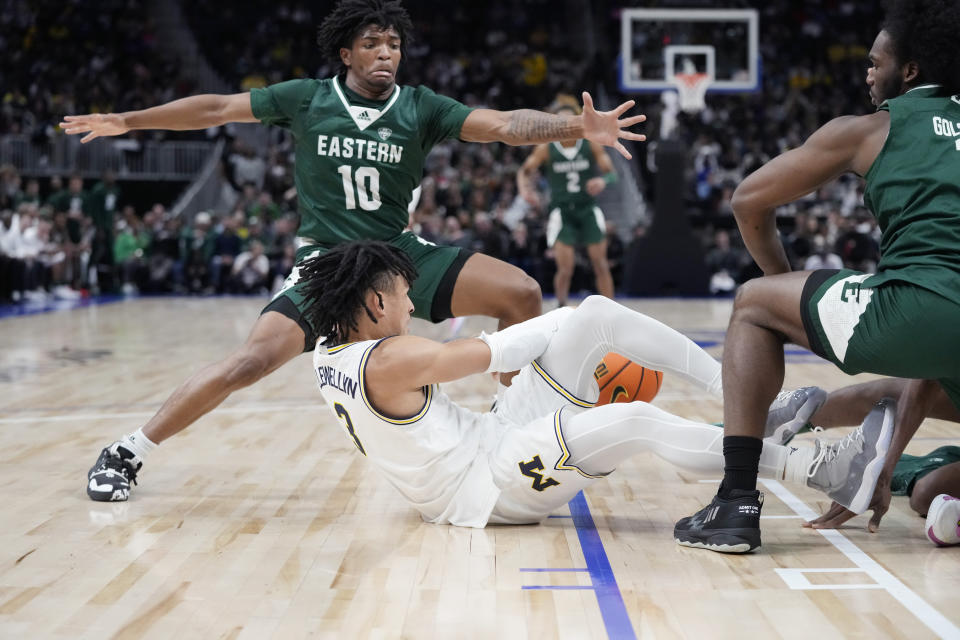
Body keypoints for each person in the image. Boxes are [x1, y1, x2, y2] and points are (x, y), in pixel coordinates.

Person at [64, 0, 647, 502]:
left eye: (393, 43)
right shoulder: (306, 99)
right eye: (372, 44)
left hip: (396, 254)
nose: (386, 53)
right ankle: (127, 450)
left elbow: (502, 125)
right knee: (251, 362)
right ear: (346, 53)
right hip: (331, 264)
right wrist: (128, 120)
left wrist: (575, 127)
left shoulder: (421, 107)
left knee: (520, 292)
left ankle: (511, 430)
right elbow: (217, 108)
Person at [302, 240, 892, 537]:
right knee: (633, 417)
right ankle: (820, 469)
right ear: (375, 302)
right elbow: (488, 355)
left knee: (596, 313)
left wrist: (563, 322)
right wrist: (552, 323)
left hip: (487, 439)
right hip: (484, 487)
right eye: (403, 296)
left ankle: (748, 403)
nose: (411, 306)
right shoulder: (391, 359)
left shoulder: (329, 352)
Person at [674, 0, 960, 553]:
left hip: (919, 305)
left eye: (877, 62)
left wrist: (782, 293)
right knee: (928, 489)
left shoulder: (873, 128)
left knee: (754, 302)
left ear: (911, 70)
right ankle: (837, 440)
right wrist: (889, 463)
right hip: (942, 325)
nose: (868, 73)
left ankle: (735, 500)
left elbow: (748, 200)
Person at [517, 98, 617, 306]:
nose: (564, 126)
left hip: (587, 207)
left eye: (568, 121)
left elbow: (612, 174)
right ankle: (561, 306)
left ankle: (612, 310)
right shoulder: (546, 148)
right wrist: (524, 189)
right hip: (562, 211)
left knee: (600, 263)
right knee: (565, 268)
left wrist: (602, 180)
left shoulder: (590, 142)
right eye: (560, 122)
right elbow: (524, 172)